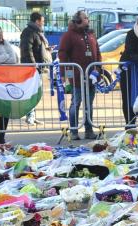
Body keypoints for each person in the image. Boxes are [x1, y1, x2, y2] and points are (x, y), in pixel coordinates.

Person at [58, 10, 101, 140]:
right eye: (86, 18)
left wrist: (98, 69)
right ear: (78, 21)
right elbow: (63, 55)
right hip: (77, 76)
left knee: (89, 104)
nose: (88, 20)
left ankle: (89, 130)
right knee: (75, 103)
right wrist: (66, 74)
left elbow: (98, 52)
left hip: (91, 76)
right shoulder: (69, 35)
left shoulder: (91, 34)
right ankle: (74, 131)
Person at [20, 12, 52, 126]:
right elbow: (27, 50)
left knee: (36, 92)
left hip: (37, 67)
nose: (43, 23)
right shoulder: (28, 32)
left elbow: (37, 48)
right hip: (31, 68)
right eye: (42, 21)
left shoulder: (38, 32)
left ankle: (32, 116)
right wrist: (33, 65)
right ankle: (29, 116)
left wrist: (47, 50)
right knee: (31, 92)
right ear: (37, 21)